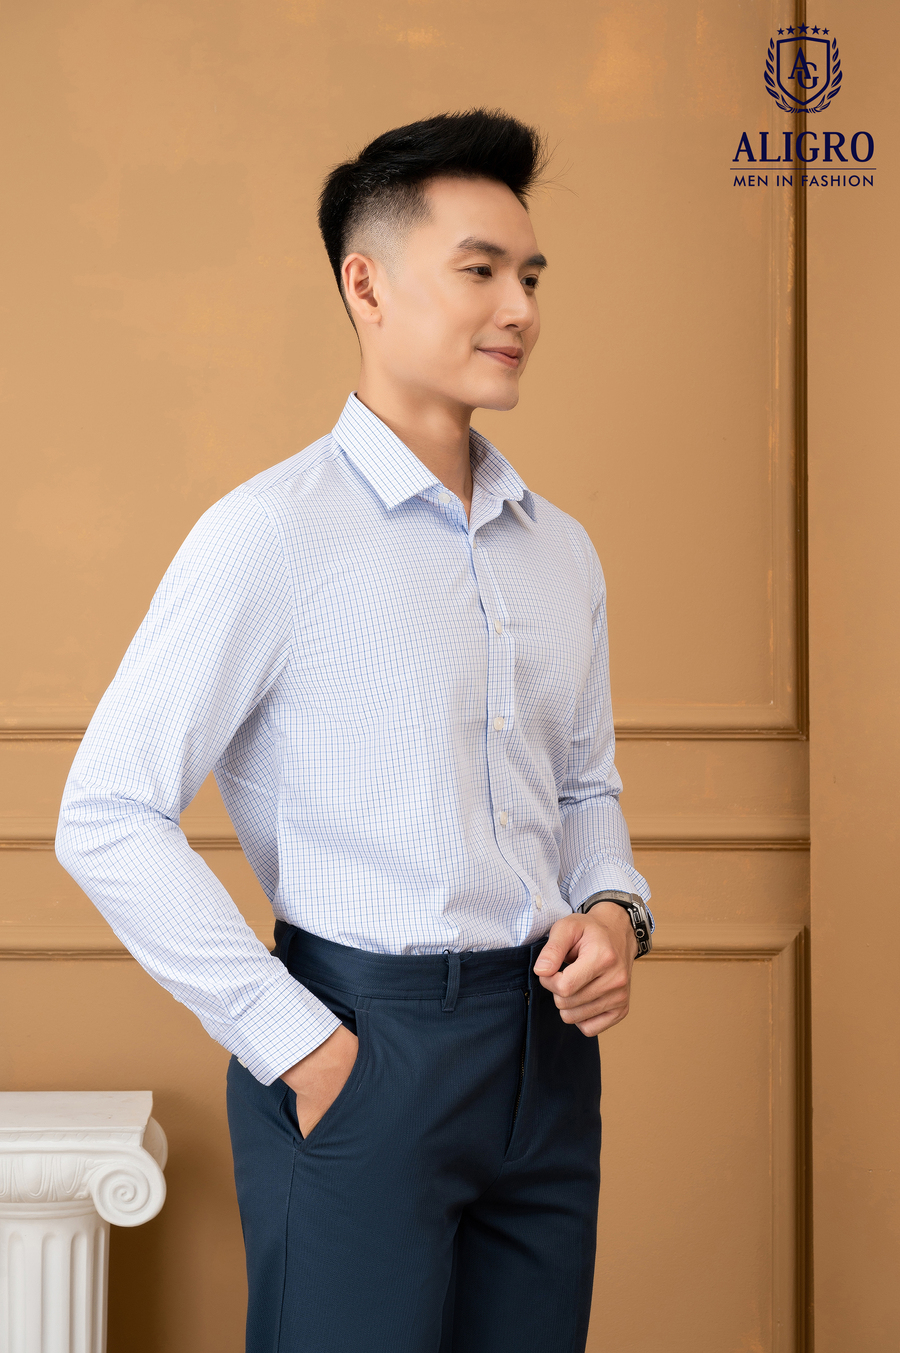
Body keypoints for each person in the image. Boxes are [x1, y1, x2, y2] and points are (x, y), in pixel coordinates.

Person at [56, 108, 652, 1353]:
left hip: (547, 1064)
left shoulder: (564, 551)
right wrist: (306, 1051)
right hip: (364, 1050)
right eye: (480, 270)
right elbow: (106, 811)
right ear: (364, 285)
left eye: (532, 276)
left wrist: (614, 913)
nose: (520, 308)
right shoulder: (270, 534)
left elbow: (584, 789)